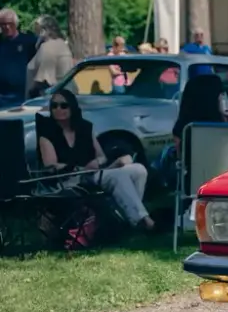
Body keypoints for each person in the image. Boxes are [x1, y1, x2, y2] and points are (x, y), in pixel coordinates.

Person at [37, 89, 155, 230]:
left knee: (138, 170)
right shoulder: (48, 133)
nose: (58, 109)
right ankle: (143, 221)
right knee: (118, 176)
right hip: (68, 179)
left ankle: (126, 218)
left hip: (93, 173)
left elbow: (101, 156)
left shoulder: (84, 127)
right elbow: (51, 165)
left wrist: (97, 163)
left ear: (72, 107)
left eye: (63, 105)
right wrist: (80, 169)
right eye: (54, 105)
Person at [152, 74, 228, 188]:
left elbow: (181, 158)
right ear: (216, 98)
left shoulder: (184, 127)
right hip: (226, 183)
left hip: (193, 186)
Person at [26, 15, 74, 99]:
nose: (35, 33)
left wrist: (32, 92)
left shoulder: (47, 47)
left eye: (37, 30)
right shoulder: (63, 44)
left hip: (50, 98)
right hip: (68, 92)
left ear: (43, 31)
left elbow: (43, 79)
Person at [0, 8, 39, 107]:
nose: (7, 27)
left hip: (23, 95)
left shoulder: (29, 42)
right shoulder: (1, 44)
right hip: (3, 96)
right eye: (3, 24)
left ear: (16, 24)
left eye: (10, 24)